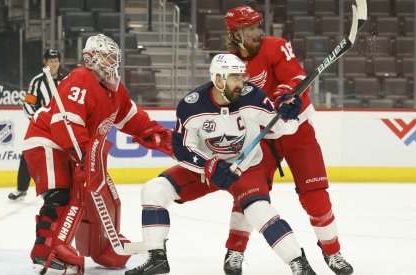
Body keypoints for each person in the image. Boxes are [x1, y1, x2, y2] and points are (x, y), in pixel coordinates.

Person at [124, 54, 316, 275]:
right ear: (218, 79)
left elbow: (282, 128)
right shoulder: (191, 106)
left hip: (246, 167)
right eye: (234, 78)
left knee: (259, 211)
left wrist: (290, 114)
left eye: (241, 77)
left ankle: (300, 264)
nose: (241, 83)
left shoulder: (252, 96)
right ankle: (156, 258)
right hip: (206, 169)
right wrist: (209, 166)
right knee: (154, 190)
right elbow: (182, 149)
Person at [21, 34, 173, 274]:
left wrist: (160, 137)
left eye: (114, 56)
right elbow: (66, 124)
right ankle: (46, 255)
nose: (112, 61)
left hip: (76, 150)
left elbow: (134, 120)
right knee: (61, 196)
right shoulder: (80, 79)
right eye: (107, 55)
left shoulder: (115, 91)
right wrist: (83, 155)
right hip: (47, 142)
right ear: (91, 58)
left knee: (95, 193)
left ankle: (104, 245)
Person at [222, 5, 353, 275]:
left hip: (297, 131)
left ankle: (333, 252)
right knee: (247, 195)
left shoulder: (276, 46)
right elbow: (229, 100)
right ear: (236, 35)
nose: (258, 33)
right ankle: (234, 251)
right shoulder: (228, 63)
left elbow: (295, 78)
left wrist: (285, 96)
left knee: (316, 196)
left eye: (258, 26)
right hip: (262, 139)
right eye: (250, 29)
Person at [8, 49, 65, 201]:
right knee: (29, 153)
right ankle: (21, 189)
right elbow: (28, 103)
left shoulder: (66, 81)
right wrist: (36, 120)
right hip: (42, 127)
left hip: (62, 126)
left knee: (66, 155)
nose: (54, 63)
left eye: (56, 60)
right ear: (45, 62)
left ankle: (66, 187)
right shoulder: (37, 81)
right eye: (51, 60)